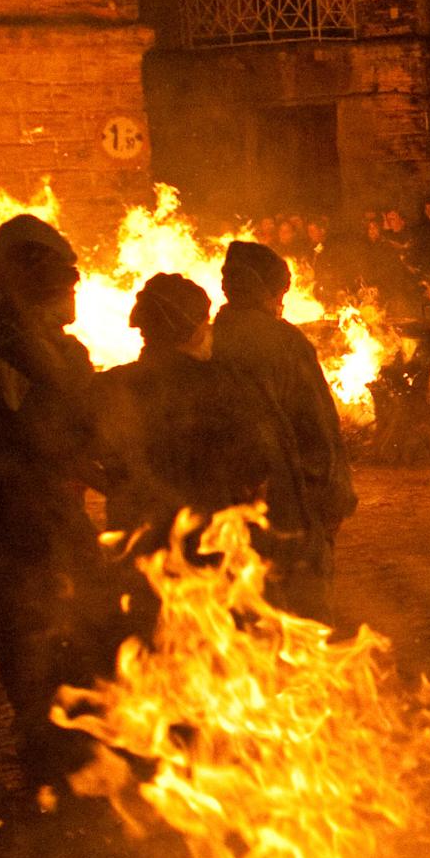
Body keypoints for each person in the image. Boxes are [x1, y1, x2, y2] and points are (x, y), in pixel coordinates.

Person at [0, 213, 107, 790]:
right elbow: (16, 436)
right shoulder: (6, 351)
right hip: (18, 521)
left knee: (75, 624)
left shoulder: (43, 345)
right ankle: (48, 748)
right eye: (63, 279)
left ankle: (70, 737)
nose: (73, 288)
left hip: (46, 512)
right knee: (34, 630)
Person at [95, 274, 283, 566]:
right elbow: (257, 462)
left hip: (136, 549)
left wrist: (117, 485)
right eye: (204, 321)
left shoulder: (111, 386)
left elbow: (67, 449)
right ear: (194, 330)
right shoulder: (221, 384)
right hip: (205, 551)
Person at [216, 241, 357, 622]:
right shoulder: (282, 342)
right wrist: (335, 496)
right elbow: (317, 425)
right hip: (288, 504)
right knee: (301, 618)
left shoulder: (209, 338)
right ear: (268, 291)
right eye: (280, 293)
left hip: (228, 511)